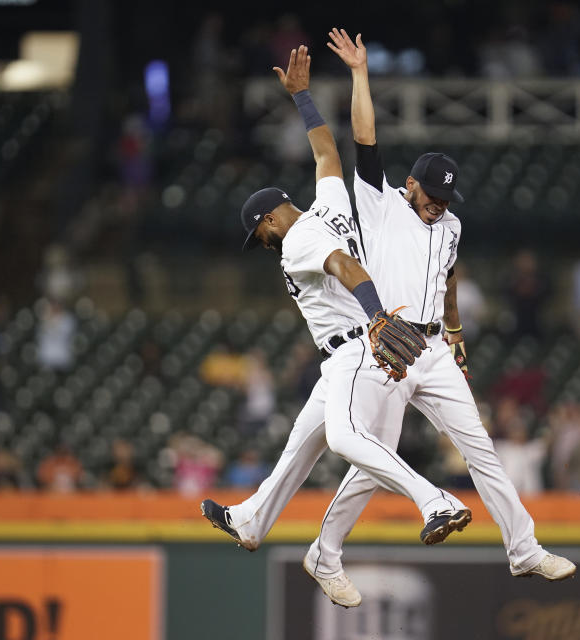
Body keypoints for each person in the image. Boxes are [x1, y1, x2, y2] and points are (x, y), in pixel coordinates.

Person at [303, 27, 573, 594]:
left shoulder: (450, 224)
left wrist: (454, 332)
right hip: (385, 343)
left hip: (434, 349)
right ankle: (325, 553)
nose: (438, 207)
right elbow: (364, 136)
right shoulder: (380, 205)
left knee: (482, 449)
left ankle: (524, 550)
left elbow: (448, 279)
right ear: (409, 186)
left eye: (445, 199)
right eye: (431, 197)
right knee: (372, 459)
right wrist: (359, 75)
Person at [201, 46, 473, 596]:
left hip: (361, 346)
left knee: (350, 439)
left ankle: (434, 499)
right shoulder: (328, 201)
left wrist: (374, 318)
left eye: (260, 232)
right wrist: (302, 97)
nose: (263, 241)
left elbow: (345, 267)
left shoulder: (296, 240)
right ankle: (263, 524)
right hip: (366, 348)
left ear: (272, 216)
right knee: (304, 442)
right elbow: (326, 150)